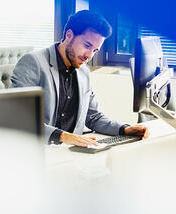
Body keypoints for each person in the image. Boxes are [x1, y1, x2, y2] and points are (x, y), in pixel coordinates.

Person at [10, 10, 149, 146]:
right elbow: (19, 118)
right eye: (87, 45)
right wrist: (63, 136)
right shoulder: (34, 62)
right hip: (40, 149)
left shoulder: (83, 72)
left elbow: (93, 117)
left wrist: (124, 129)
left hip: (71, 151)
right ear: (69, 35)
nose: (89, 55)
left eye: (95, 50)